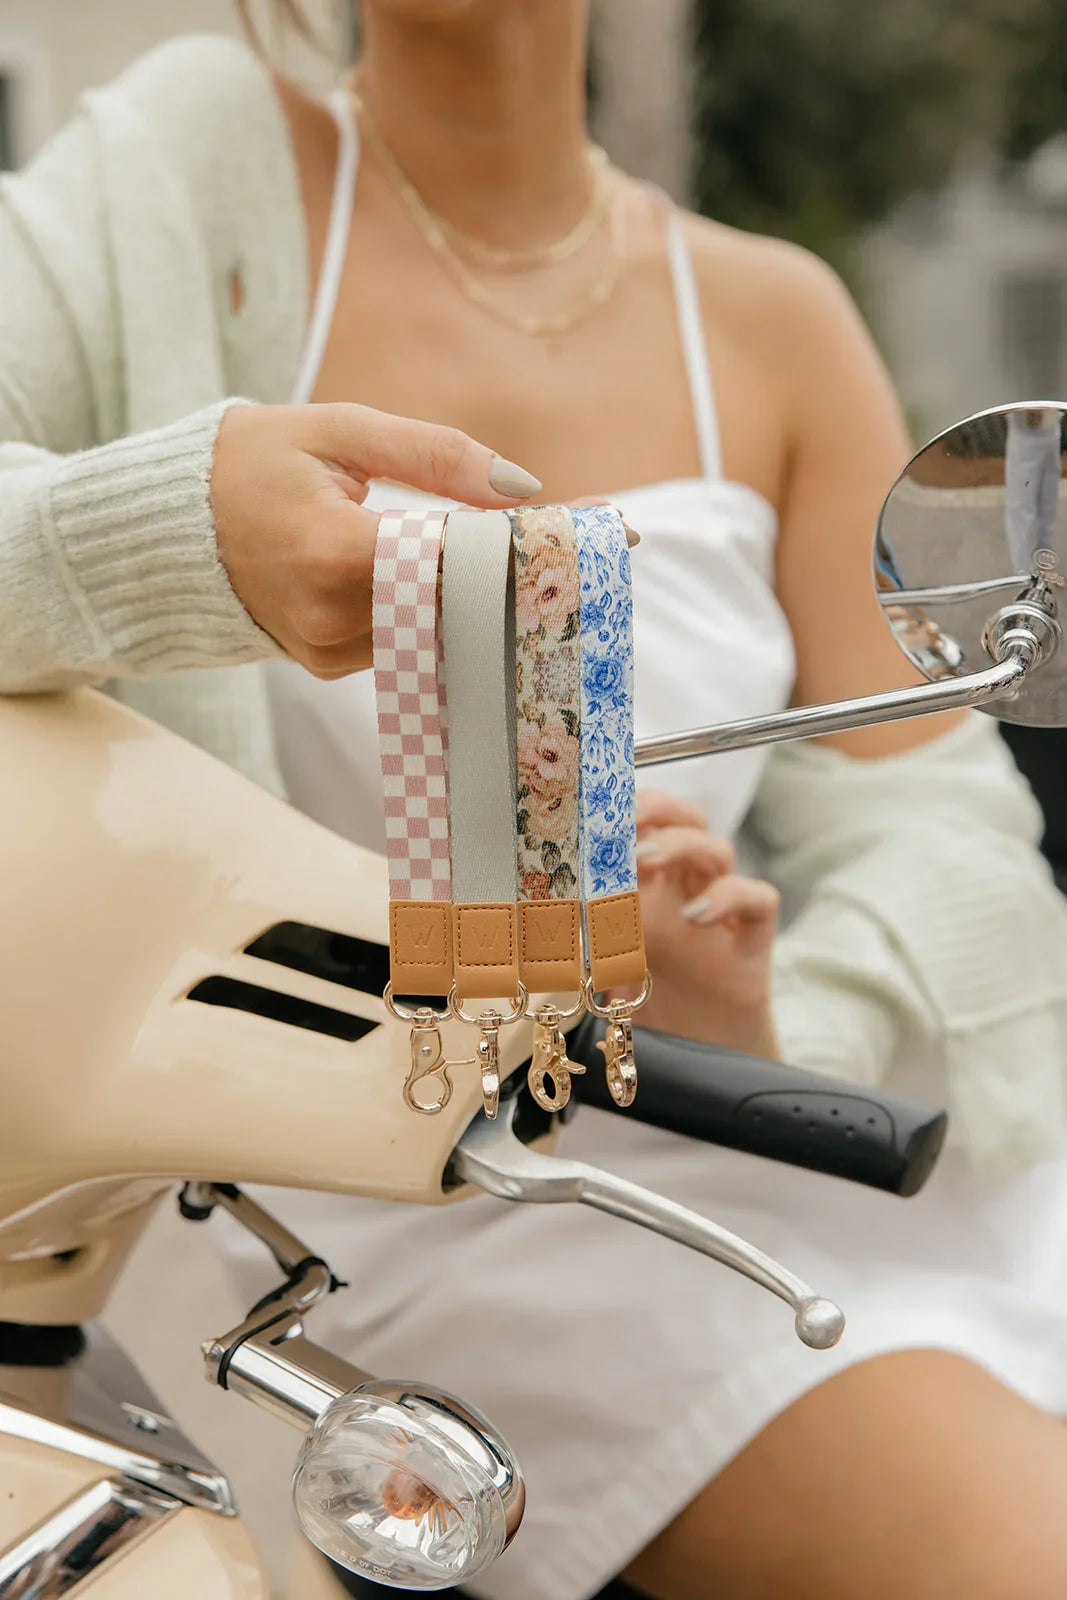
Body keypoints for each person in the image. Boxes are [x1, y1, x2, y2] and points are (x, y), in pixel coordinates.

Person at [3, 7, 1067, 1598]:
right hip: (347, 1185)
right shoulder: (180, 173)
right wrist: (176, 529)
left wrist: (783, 1022)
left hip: (792, 1136)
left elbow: (939, 814)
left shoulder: (770, 311)